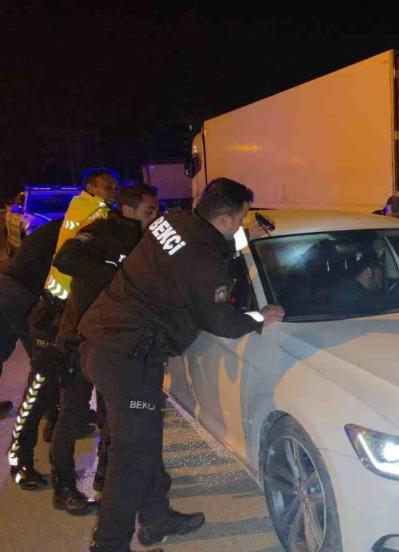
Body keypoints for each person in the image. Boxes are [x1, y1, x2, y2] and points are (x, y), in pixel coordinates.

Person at [77, 177, 284, 552]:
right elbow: (220, 320)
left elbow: (203, 262)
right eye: (239, 220)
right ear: (223, 218)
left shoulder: (173, 221)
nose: (241, 227)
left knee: (143, 443)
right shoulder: (203, 259)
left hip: (104, 342)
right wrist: (259, 317)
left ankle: (156, 519)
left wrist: (234, 244)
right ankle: (108, 544)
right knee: (131, 458)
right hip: (128, 358)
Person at [48, 184, 160, 515]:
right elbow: (64, 258)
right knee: (72, 413)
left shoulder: (148, 240)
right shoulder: (101, 230)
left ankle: (106, 476)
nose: (155, 217)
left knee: (115, 415)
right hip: (79, 337)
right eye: (149, 211)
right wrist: (114, 273)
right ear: (128, 209)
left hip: (116, 343)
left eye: (156, 211)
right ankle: (63, 485)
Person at [7, 168, 116, 489]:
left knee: (59, 384)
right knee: (39, 387)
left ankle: (54, 430)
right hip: (45, 308)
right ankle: (19, 460)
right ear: (91, 189)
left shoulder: (81, 216)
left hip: (57, 310)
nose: (112, 193)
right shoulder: (93, 217)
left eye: (115, 188)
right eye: (107, 187)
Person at [0, 218, 63, 422]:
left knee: (1, 347)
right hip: (22, 293)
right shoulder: (72, 232)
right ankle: (50, 412)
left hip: (6, 285)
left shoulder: (56, 225)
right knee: (41, 355)